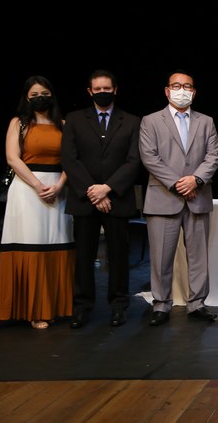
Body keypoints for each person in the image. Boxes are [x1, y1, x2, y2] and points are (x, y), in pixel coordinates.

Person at [138, 70, 218, 326]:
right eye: (176, 86)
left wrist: (196, 180)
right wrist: (178, 184)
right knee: (161, 257)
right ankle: (161, 304)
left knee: (198, 257)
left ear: (194, 92)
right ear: (167, 91)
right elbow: (150, 157)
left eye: (187, 86)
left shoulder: (206, 121)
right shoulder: (151, 121)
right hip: (163, 197)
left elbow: (214, 155)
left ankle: (197, 304)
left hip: (198, 197)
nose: (182, 90)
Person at [61, 69, 141, 328]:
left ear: (115, 90)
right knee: (84, 257)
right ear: (89, 92)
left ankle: (118, 307)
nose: (103, 93)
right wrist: (93, 192)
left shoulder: (132, 121)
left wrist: (107, 188)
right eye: (98, 89)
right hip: (85, 200)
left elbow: (134, 160)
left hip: (117, 198)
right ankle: (82, 308)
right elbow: (69, 159)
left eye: (107, 88)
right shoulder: (74, 119)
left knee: (119, 257)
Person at [0, 75, 74, 329]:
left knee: (56, 244)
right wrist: (39, 186)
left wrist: (59, 186)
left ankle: (56, 306)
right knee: (32, 246)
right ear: (27, 99)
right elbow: (12, 158)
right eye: (35, 95)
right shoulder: (18, 123)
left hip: (58, 190)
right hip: (28, 191)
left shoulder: (63, 125)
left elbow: (72, 160)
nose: (40, 98)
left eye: (45, 94)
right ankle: (34, 310)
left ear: (52, 96)